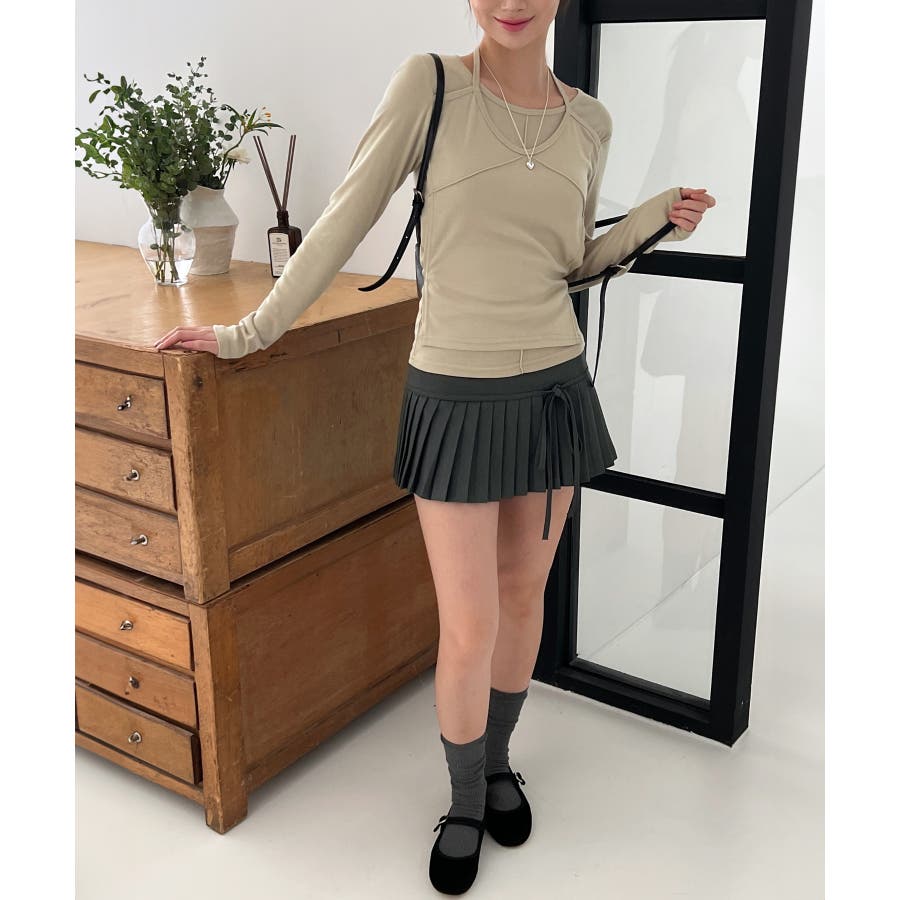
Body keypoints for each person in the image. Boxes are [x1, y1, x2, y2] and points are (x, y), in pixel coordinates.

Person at [154, 1, 714, 893]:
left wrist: (653, 219)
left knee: (521, 599)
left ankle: (498, 767)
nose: (511, 3)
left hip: (553, 391)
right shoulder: (431, 85)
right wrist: (246, 333)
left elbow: (571, 263)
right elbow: (345, 216)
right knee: (469, 622)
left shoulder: (590, 121)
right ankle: (462, 803)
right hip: (454, 392)